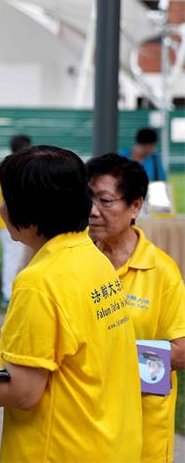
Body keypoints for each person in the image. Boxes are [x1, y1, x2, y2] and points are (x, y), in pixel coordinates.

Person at [0, 146, 143, 462]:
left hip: (60, 450)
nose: (2, 208)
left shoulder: (39, 281)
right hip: (109, 443)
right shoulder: (92, 257)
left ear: (28, 214)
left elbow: (23, 392)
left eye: (6, 199)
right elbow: (73, 351)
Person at [86, 153, 185, 463]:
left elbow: (180, 352)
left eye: (104, 201)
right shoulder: (79, 263)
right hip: (87, 423)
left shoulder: (161, 271)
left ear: (136, 206)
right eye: (87, 199)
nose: (92, 211)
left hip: (144, 428)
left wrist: (101, 359)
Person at [0, 134, 31, 308]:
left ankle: (11, 293)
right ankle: (8, 294)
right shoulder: (18, 167)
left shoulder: (9, 164)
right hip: (12, 219)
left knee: (16, 256)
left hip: (10, 219)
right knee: (13, 257)